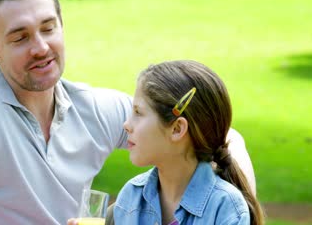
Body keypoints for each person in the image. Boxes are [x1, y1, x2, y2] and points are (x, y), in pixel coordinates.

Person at [0, 0, 256, 225]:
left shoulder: (94, 110)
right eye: (20, 38)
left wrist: (230, 205)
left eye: (48, 28)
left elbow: (217, 134)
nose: (41, 47)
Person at [70, 60, 264, 225]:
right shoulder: (130, 197)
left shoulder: (225, 208)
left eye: (138, 113)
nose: (126, 125)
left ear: (177, 129)